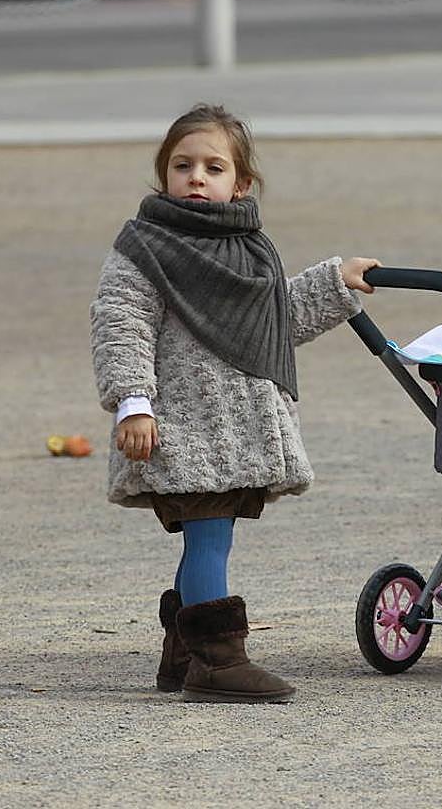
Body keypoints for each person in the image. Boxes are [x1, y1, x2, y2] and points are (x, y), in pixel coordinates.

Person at [91, 104, 379, 703]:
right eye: (182, 165)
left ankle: (184, 652)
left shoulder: (250, 250)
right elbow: (121, 324)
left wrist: (334, 282)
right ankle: (218, 662)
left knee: (207, 535)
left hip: (235, 432)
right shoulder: (145, 249)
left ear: (240, 184)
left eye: (213, 167)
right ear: (163, 175)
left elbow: (275, 320)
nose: (197, 177)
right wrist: (133, 403)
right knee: (209, 536)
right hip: (184, 430)